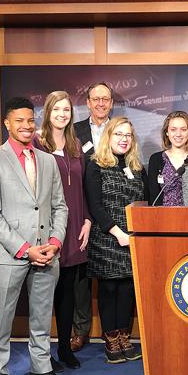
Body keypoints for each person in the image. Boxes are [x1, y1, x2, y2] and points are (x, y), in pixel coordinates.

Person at [0, 96, 72, 375]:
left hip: (48, 253)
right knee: (1, 321)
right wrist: (24, 248)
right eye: (19, 120)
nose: (26, 126)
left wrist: (55, 243)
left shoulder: (47, 160)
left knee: (42, 318)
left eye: (30, 120)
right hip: (10, 255)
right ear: (7, 123)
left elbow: (60, 206)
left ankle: (41, 370)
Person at [34, 91, 91, 370]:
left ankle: (65, 349)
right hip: (48, 227)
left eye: (66, 109)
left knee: (68, 291)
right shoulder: (36, 142)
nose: (62, 114)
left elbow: (83, 187)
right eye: (57, 109)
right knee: (45, 292)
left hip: (75, 225)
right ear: (48, 111)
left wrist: (87, 221)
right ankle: (42, 355)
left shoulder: (75, 143)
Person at [85, 117, 147, 363]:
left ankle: (125, 337)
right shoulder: (95, 165)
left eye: (128, 135)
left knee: (128, 290)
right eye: (118, 134)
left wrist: (134, 234)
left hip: (133, 240)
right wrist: (118, 233)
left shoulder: (137, 168)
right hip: (107, 238)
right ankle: (111, 340)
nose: (123, 139)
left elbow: (145, 205)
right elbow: (95, 205)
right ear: (108, 137)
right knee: (110, 289)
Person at [70, 81, 113, 352]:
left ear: (111, 102)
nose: (100, 103)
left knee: (111, 275)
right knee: (80, 277)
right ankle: (81, 330)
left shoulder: (121, 128)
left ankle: (113, 331)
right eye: (95, 99)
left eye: (105, 99)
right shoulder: (74, 132)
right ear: (87, 102)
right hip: (81, 210)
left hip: (110, 212)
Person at [147, 111, 188, 206]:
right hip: (164, 218)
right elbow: (153, 196)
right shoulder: (156, 159)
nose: (178, 134)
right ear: (167, 132)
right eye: (173, 129)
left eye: (183, 129)